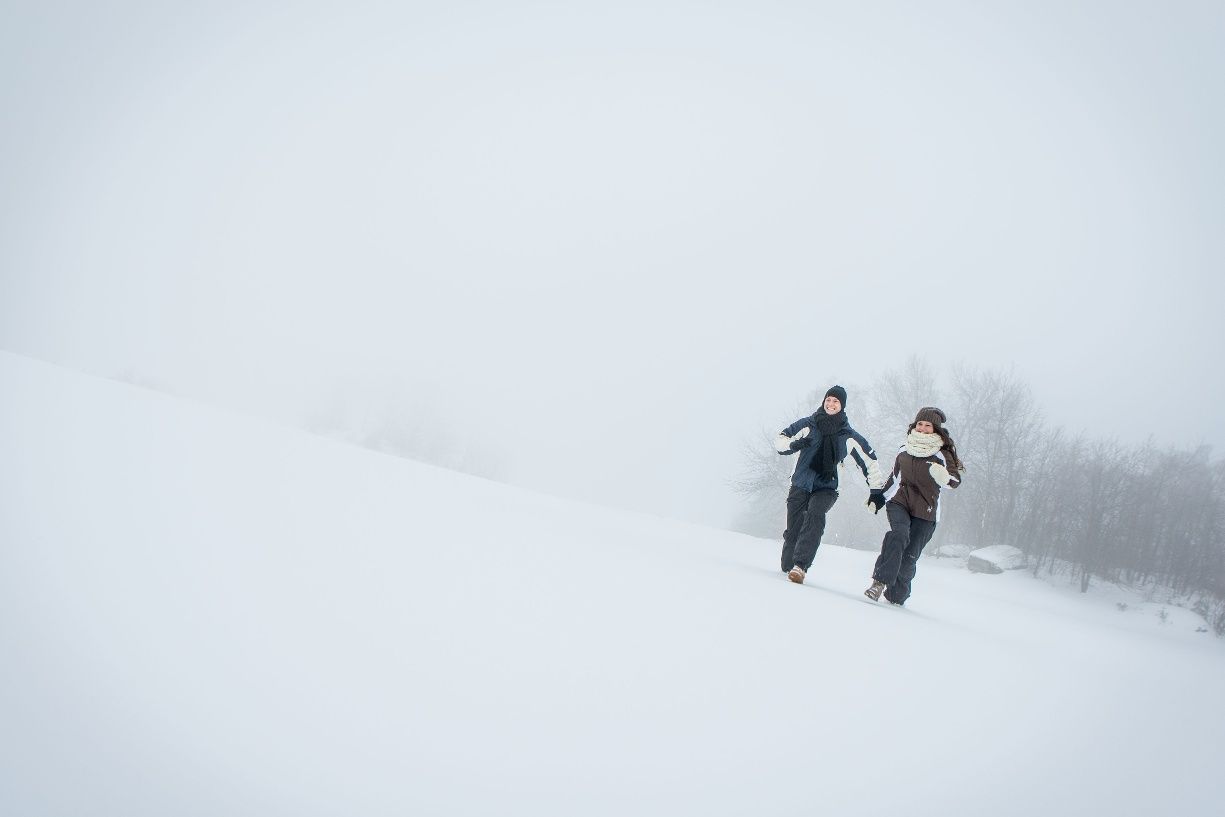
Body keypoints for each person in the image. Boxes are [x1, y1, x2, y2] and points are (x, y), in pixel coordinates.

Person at [774, 385, 885, 584]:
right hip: (800, 483)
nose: (831, 404)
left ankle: (801, 566)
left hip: (827, 487)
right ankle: (791, 563)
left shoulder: (848, 436)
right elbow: (781, 439)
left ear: (842, 406)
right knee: (793, 535)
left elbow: (870, 461)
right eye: (828, 400)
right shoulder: (808, 424)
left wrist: (876, 491)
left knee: (815, 515)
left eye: (835, 401)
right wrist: (794, 445)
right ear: (824, 401)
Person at [864, 406, 964, 605]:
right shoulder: (905, 449)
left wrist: (943, 476)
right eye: (920, 424)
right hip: (900, 502)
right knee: (898, 535)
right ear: (914, 425)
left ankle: (896, 595)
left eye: (928, 425)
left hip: (926, 512)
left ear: (935, 429)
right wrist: (879, 498)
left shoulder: (942, 454)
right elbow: (894, 478)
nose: (923, 428)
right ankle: (878, 582)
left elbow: (954, 481)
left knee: (908, 559)